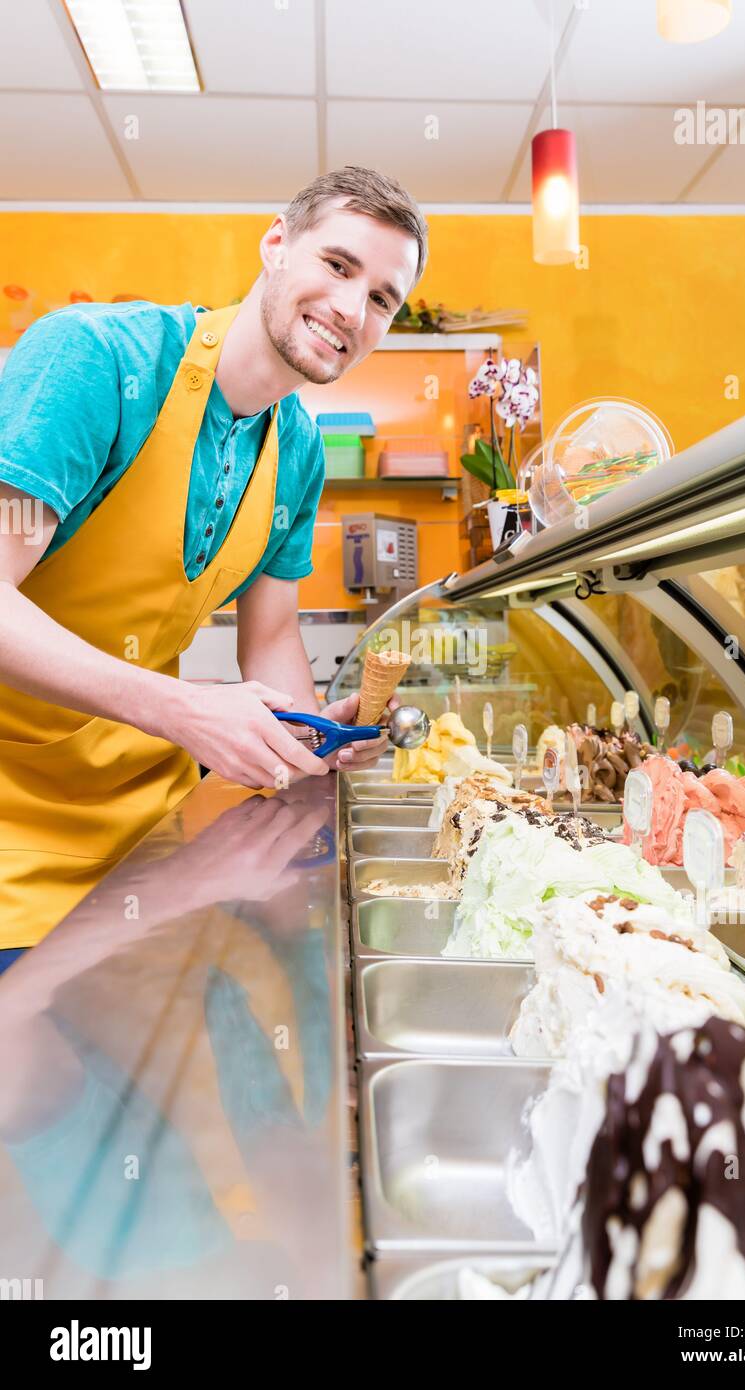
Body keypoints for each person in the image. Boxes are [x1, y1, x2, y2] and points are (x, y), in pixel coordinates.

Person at [0, 165, 428, 961]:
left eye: (381, 299)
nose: (350, 308)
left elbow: (270, 639)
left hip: (152, 838)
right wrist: (183, 709)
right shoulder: (97, 361)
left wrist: (312, 740)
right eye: (338, 266)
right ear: (275, 244)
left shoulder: (298, 449)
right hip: (12, 845)